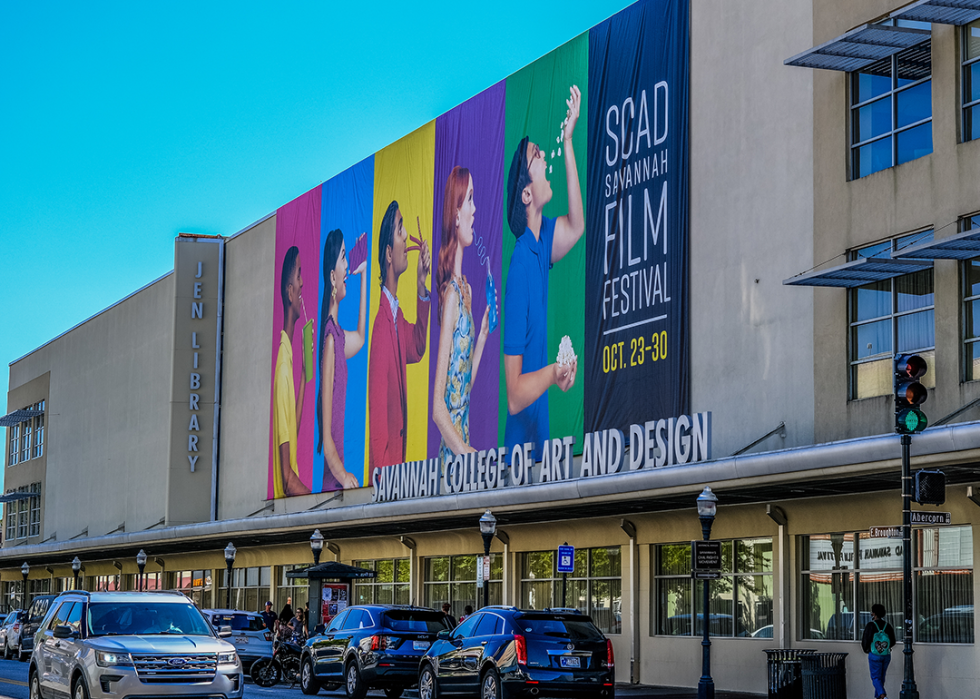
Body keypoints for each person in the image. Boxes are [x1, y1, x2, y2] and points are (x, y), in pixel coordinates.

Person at [503, 86, 583, 462]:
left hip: (542, 448)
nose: (545, 157)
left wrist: (568, 141)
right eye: (539, 156)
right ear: (526, 196)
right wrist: (555, 373)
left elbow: (577, 225)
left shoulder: (543, 242)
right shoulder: (519, 268)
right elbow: (515, 395)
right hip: (518, 464)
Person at [433, 167, 494, 464]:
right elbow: (438, 407)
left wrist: (481, 334)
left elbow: (462, 390)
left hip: (462, 447)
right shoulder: (453, 295)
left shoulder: (465, 290)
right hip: (453, 457)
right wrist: (466, 454)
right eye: (469, 199)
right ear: (456, 214)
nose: (475, 208)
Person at [368, 201, 432, 479]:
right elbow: (379, 428)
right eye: (400, 229)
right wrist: (384, 485)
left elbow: (417, 347)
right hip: (387, 480)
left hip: (398, 476)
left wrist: (421, 285)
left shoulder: (395, 315)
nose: (406, 236)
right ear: (388, 255)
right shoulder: (382, 326)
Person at [317, 229, 369, 491]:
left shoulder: (337, 335)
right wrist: (343, 475)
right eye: (343, 258)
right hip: (333, 479)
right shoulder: (329, 340)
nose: (347, 265)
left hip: (339, 475)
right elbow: (327, 439)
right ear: (332, 276)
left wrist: (363, 276)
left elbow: (360, 337)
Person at [273, 246, 312, 497]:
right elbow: (287, 480)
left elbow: (292, 432)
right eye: (299, 276)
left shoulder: (288, 361)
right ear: (290, 292)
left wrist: (305, 377)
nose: (302, 284)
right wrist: (320, 509)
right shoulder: (283, 368)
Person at [861, 603, 896, 699]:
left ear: (874, 613)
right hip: (886, 654)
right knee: (881, 677)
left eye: (872, 612)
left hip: (874, 654)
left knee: (875, 677)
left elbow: (865, 640)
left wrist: (868, 650)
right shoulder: (887, 626)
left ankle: (882, 695)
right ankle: (879, 697)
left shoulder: (870, 625)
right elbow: (892, 641)